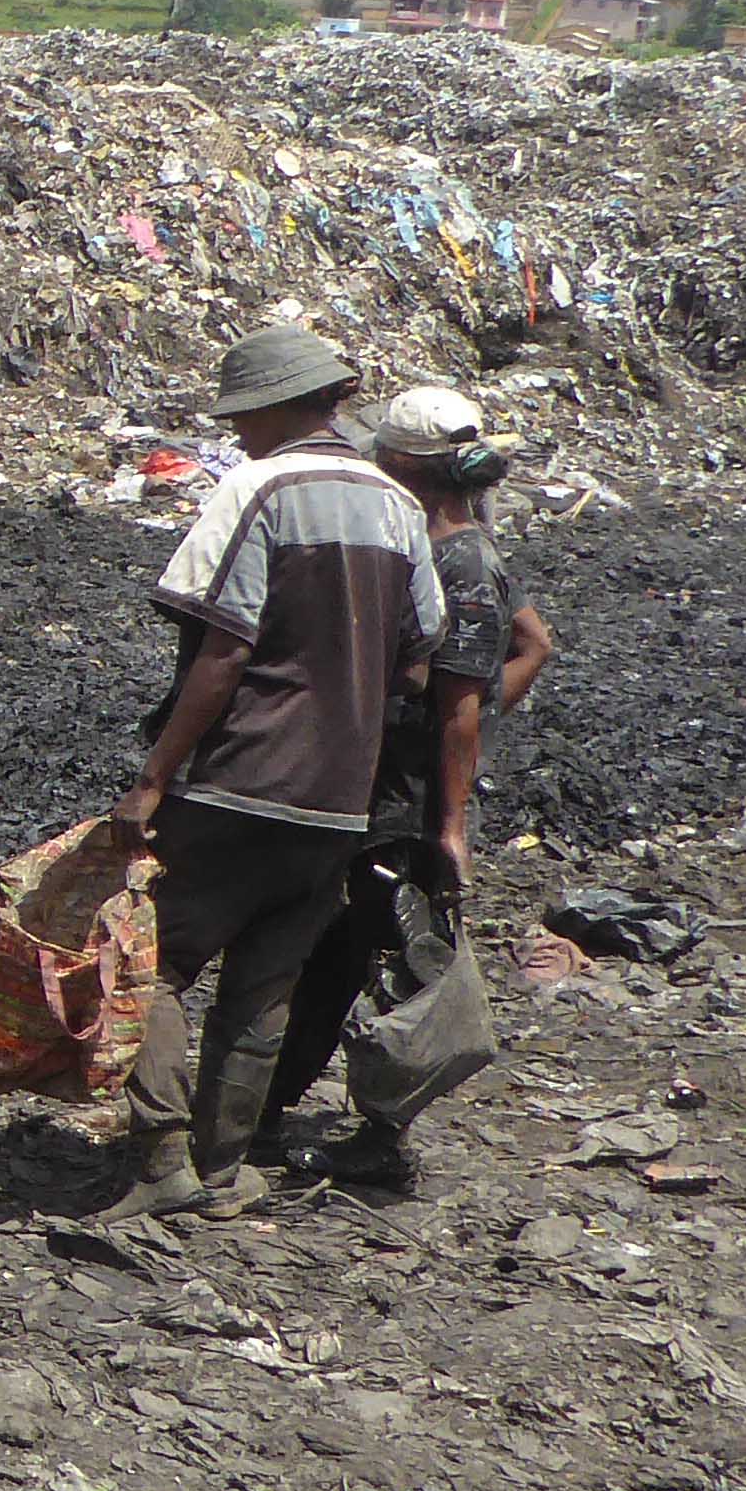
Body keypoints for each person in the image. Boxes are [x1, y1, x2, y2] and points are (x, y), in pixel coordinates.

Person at [96, 323, 447, 1222]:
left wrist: (152, 778)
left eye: (244, 417)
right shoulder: (400, 508)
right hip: (341, 797)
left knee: (154, 963)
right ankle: (223, 1173)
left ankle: (162, 1160)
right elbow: (418, 659)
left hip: (241, 776)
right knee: (264, 984)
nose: (239, 434)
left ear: (278, 409)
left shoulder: (261, 487)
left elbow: (221, 650)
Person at [258, 385, 555, 1184]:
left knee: (378, 959)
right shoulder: (461, 539)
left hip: (408, 802)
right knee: (351, 953)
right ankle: (285, 1110)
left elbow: (459, 699)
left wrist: (449, 816)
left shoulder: (454, 556)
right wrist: (476, 724)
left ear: (403, 467)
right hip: (408, 784)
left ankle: (376, 1136)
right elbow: (531, 645)